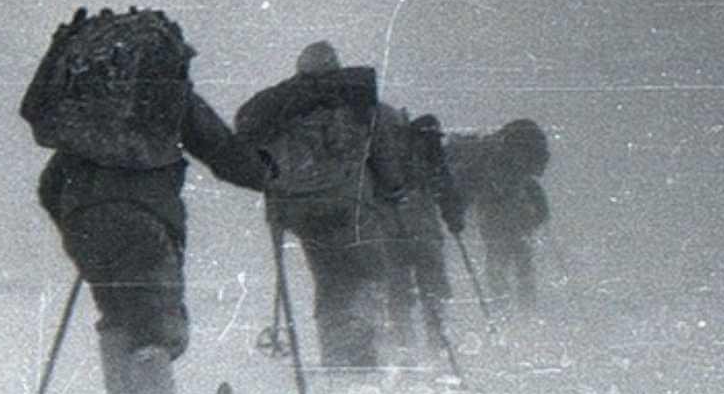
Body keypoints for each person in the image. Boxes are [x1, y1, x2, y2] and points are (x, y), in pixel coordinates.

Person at [25, 9, 264, 394]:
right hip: (145, 221)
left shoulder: (83, 108)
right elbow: (221, 150)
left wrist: (78, 222)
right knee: (152, 327)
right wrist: (267, 175)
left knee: (117, 319)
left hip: (83, 222)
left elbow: (49, 184)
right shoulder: (166, 94)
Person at [235, 41, 411, 371]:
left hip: (302, 212)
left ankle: (336, 355)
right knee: (368, 273)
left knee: (330, 281)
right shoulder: (357, 101)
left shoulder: (281, 105)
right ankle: (363, 351)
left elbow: (252, 150)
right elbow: (382, 156)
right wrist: (394, 191)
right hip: (349, 206)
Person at [379, 111, 465, 352]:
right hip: (424, 234)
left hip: (392, 233)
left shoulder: (389, 155)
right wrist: (454, 219)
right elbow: (447, 191)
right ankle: (438, 345)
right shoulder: (433, 158)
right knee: (433, 291)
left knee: (398, 294)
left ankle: (404, 346)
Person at [445, 118, 551, 308]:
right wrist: (538, 215)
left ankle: (503, 304)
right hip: (515, 215)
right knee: (520, 259)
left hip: (493, 215)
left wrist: (457, 212)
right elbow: (532, 186)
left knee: (498, 259)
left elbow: (469, 188)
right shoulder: (513, 163)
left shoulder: (494, 159)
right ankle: (525, 305)